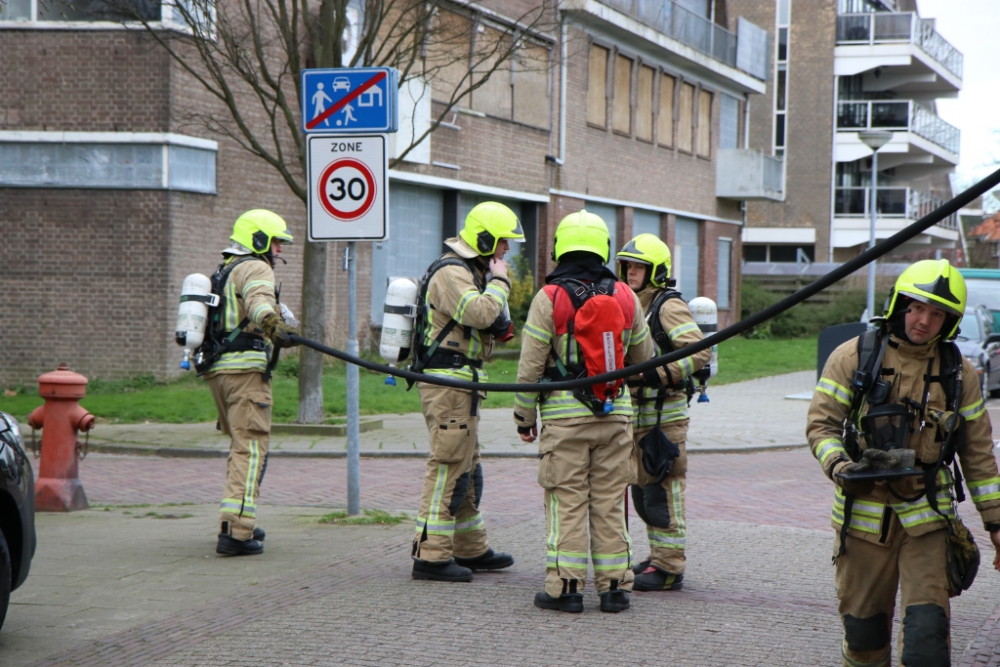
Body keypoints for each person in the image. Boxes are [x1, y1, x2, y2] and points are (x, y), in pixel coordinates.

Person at [807, 259, 1000, 666]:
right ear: (898, 304)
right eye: (916, 307)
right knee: (863, 639)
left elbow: (979, 455)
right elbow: (821, 427)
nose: (924, 320)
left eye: (937, 313)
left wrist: (997, 524)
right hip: (863, 522)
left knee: (927, 641)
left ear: (949, 321)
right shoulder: (854, 356)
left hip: (927, 522)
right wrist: (842, 468)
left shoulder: (958, 373)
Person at [514, 210, 655, 614]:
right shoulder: (626, 297)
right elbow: (643, 358)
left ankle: (566, 589)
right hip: (616, 417)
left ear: (560, 249)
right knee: (611, 501)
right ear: (604, 249)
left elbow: (530, 368)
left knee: (567, 500)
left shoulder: (550, 298)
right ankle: (614, 589)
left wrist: (525, 419)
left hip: (564, 422)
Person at [410, 201, 522, 582]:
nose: (506, 250)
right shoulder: (452, 272)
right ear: (486, 239)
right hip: (448, 383)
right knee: (447, 467)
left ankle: (470, 548)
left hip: (463, 382)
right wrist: (501, 282)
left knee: (467, 468)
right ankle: (430, 556)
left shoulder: (466, 271)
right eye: (504, 242)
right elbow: (479, 313)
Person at [615, 233, 710, 591]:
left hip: (664, 418)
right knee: (643, 491)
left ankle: (670, 568)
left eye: (639, 266)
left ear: (656, 270)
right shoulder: (630, 303)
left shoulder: (667, 306)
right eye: (627, 265)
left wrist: (657, 372)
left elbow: (699, 352)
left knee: (663, 492)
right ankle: (657, 558)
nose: (631, 272)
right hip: (637, 415)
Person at [203, 209, 300, 556]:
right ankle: (236, 532)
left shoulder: (225, 269)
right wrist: (274, 325)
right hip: (246, 374)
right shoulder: (256, 267)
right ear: (258, 240)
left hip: (220, 372)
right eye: (275, 243)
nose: (279, 251)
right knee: (251, 448)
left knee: (241, 446)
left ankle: (239, 516)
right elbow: (260, 302)